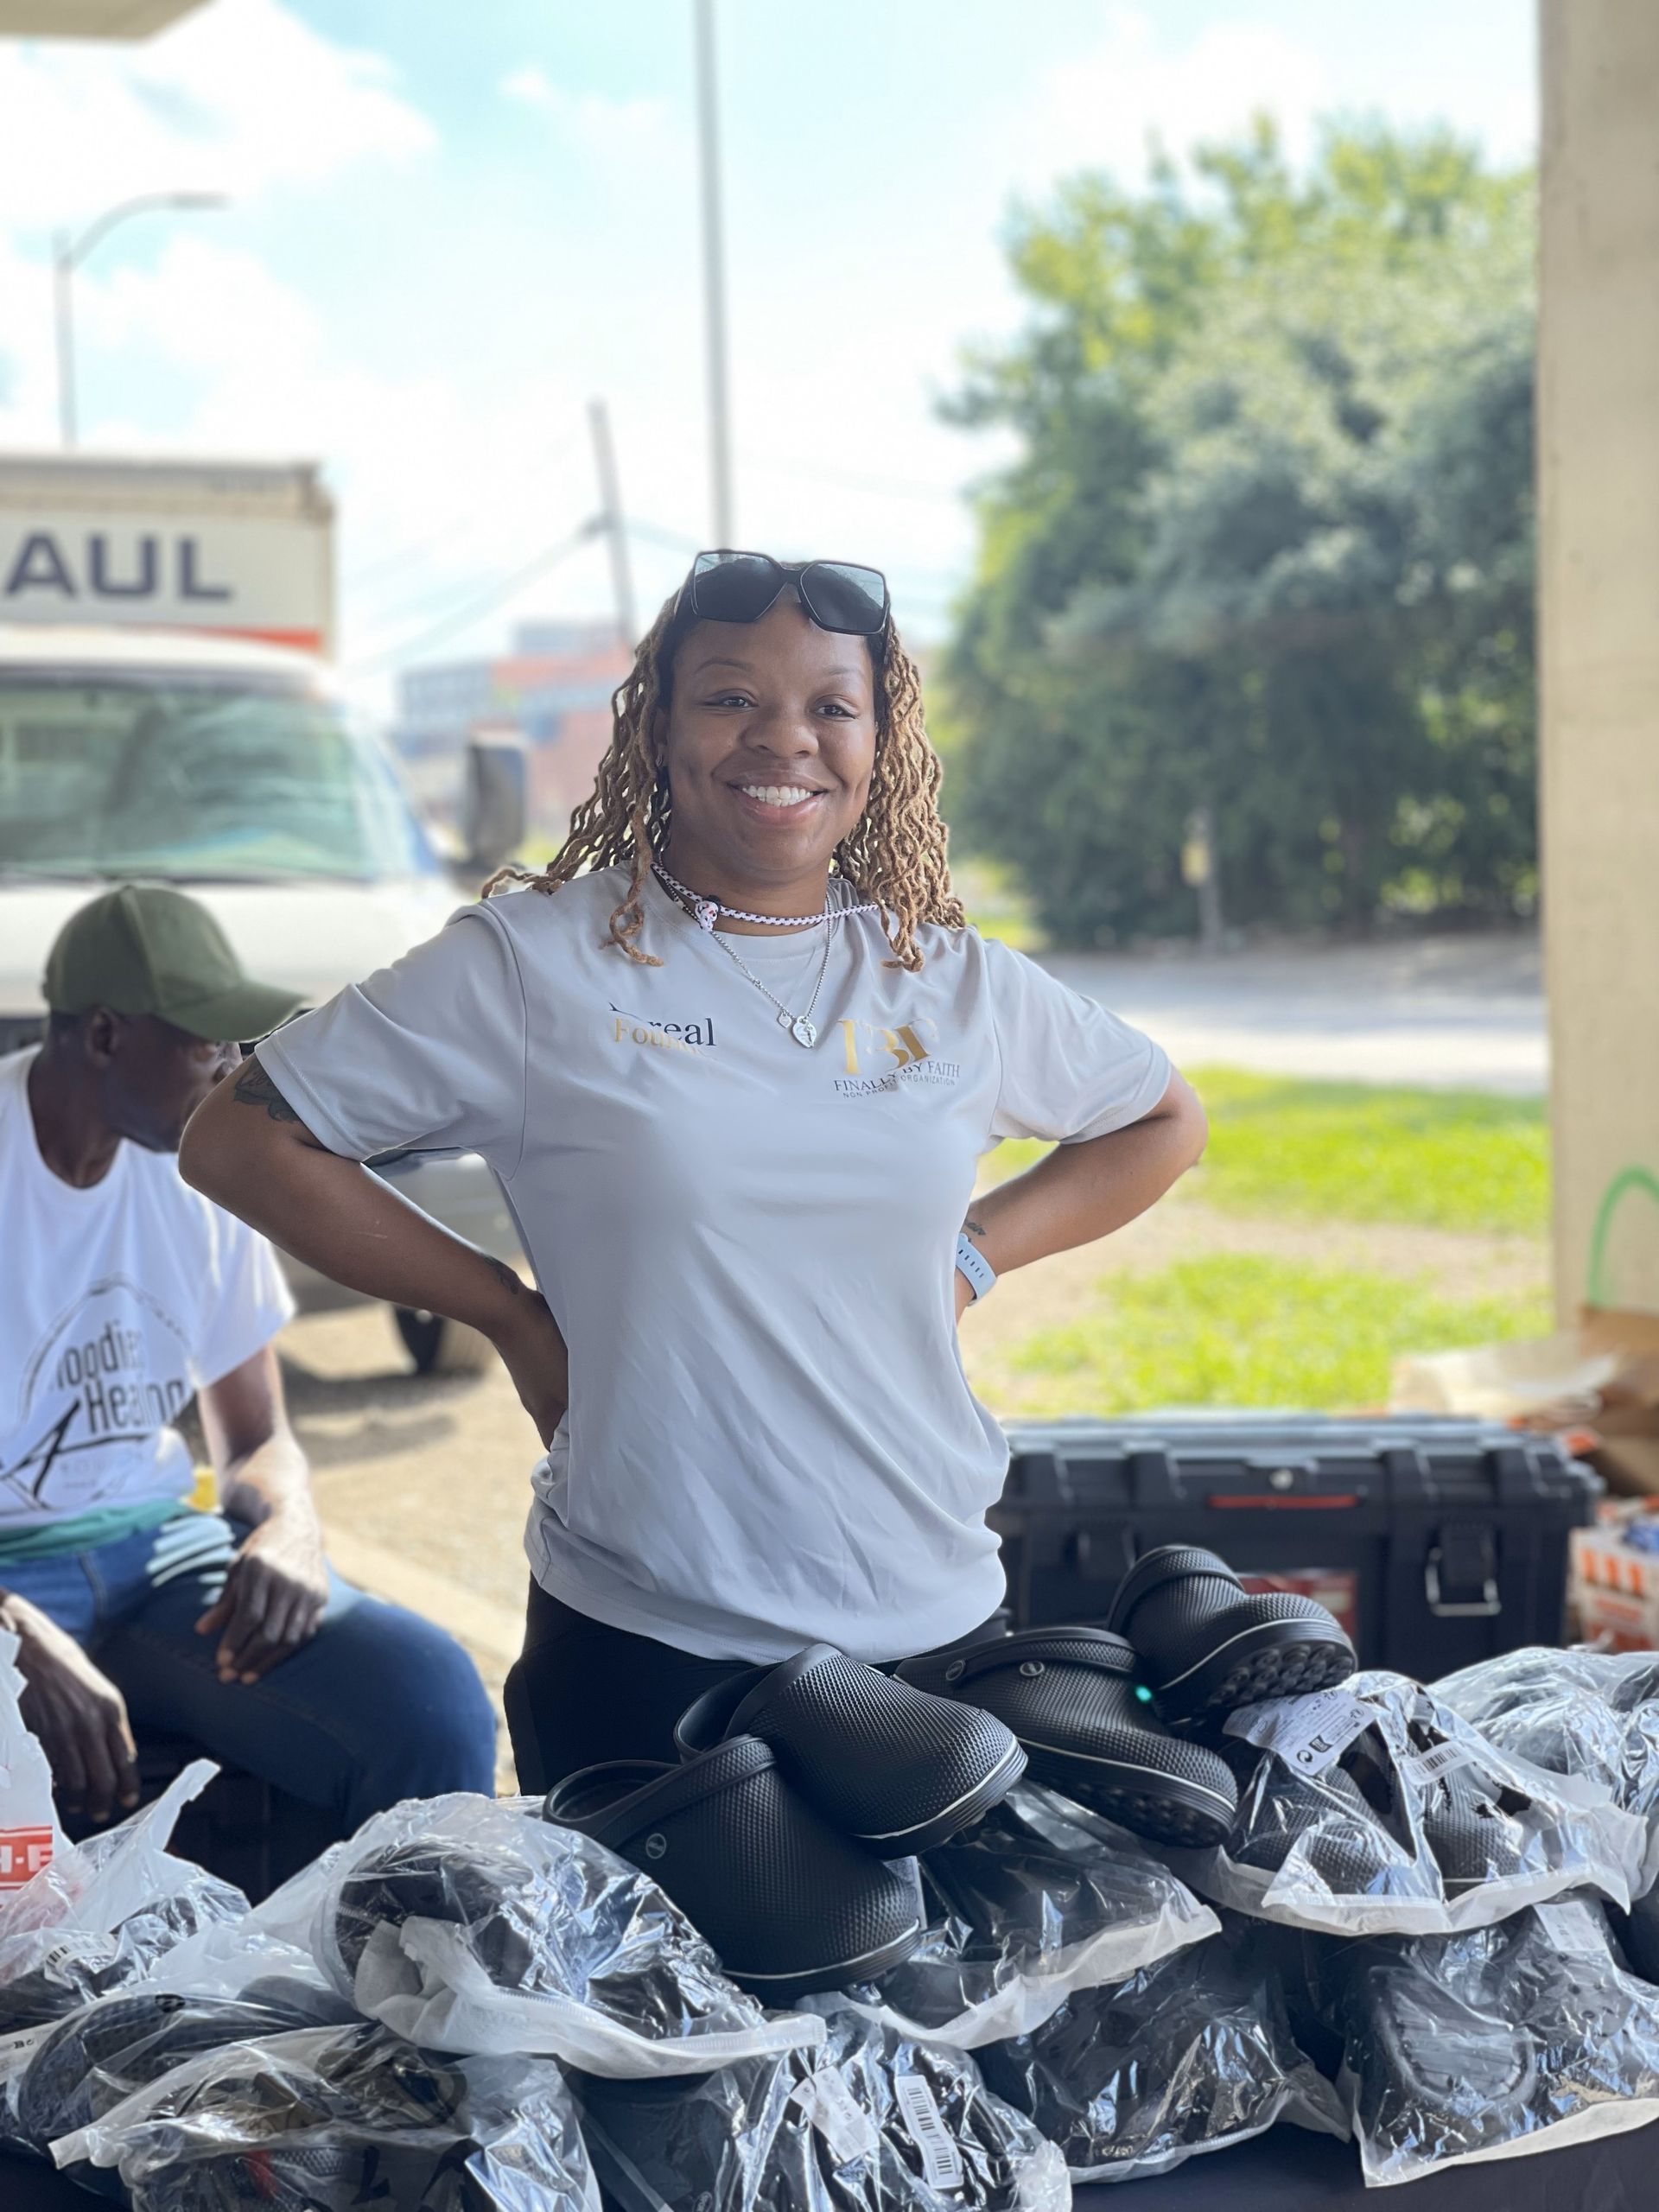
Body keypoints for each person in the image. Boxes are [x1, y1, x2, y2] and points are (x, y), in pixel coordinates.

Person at [181, 550, 1207, 1792]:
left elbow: (1161, 1118)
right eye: (731, 698)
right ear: (659, 724)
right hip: (655, 1641)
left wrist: (973, 1256)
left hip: (933, 1619)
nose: (785, 740)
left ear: (881, 742)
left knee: (942, 1990)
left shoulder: (948, 978)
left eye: (832, 705)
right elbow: (241, 1139)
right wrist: (505, 1311)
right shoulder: (537, 967)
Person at [1, 884, 497, 1831]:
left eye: (239, 1044)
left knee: (427, 1697)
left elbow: (256, 1433)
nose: (231, 1069)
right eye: (205, 1045)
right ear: (104, 1034)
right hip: (12, 1579)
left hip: (155, 1553)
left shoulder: (200, 1169)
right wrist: (10, 1634)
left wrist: (292, 1523)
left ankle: (385, 1961)